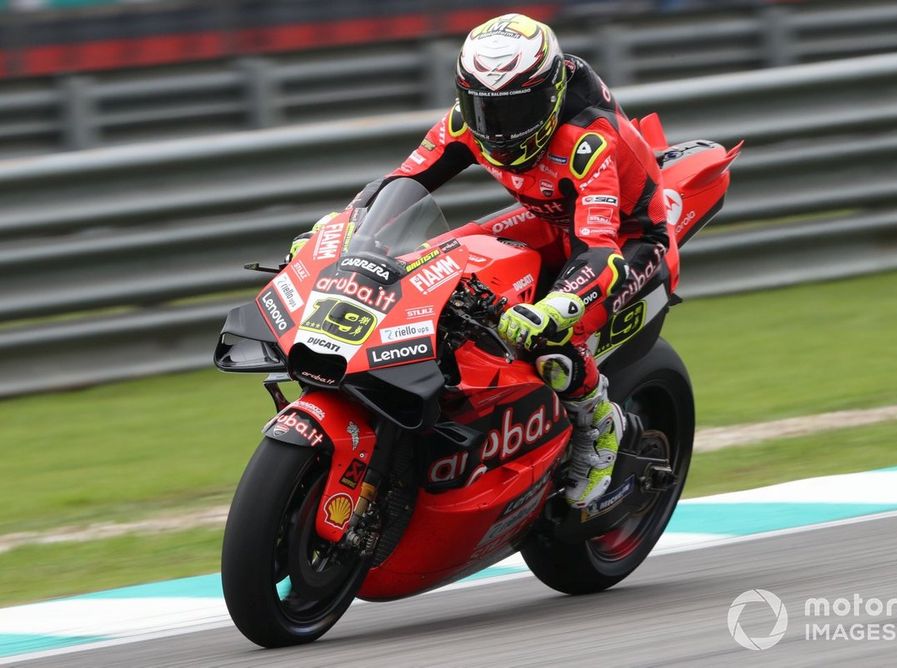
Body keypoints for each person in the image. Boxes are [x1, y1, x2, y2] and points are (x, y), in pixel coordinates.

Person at [291, 13, 679, 508]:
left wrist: (557, 304)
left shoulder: (587, 142)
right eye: (483, 108)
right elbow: (401, 184)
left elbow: (598, 247)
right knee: (436, 258)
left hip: (631, 241)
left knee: (550, 338)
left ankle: (599, 426)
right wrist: (340, 229)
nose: (498, 128)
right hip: (549, 219)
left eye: (518, 110)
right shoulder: (464, 122)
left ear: (552, 93)